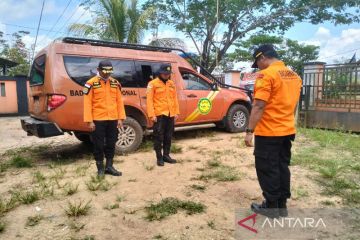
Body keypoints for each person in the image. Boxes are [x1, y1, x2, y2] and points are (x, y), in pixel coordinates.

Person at [244, 44, 302, 218]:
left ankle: (270, 207)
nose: (257, 68)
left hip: (269, 131)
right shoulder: (294, 75)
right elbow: (293, 104)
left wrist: (249, 131)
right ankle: (281, 205)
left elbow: (259, 105)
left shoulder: (266, 74)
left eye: (257, 63)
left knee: (267, 168)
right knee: (282, 166)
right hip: (286, 129)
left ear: (262, 57)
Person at [83, 60, 126, 176]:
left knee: (111, 143)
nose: (107, 74)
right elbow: (87, 103)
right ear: (98, 70)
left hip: (113, 119)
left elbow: (119, 102)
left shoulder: (115, 83)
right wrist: (89, 120)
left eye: (109, 72)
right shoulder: (90, 84)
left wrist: (120, 118)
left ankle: (109, 166)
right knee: (99, 144)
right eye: (105, 72)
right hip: (98, 120)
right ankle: (100, 168)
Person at [146, 64, 180, 166]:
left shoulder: (171, 84)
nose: (167, 75)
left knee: (168, 136)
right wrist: (152, 114)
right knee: (158, 137)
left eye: (168, 74)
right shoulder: (152, 84)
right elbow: (149, 100)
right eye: (165, 73)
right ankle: (159, 158)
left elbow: (175, 99)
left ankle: (166, 155)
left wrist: (176, 112)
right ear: (160, 73)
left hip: (170, 114)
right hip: (159, 115)